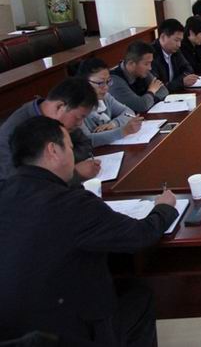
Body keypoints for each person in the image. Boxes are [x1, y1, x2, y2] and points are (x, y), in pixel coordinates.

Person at [0, 115, 178, 345]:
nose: (73, 156)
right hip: (62, 333)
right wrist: (164, 208)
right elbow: (139, 236)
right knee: (139, 298)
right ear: (53, 150)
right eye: (70, 148)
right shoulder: (70, 203)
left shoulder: (6, 191)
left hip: (10, 332)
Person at [0, 78, 99, 182]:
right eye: (78, 117)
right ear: (60, 107)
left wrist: (65, 160)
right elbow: (17, 184)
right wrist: (73, 173)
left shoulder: (64, 124)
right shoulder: (10, 134)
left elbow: (85, 144)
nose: (80, 123)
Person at [76, 58, 143, 147]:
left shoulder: (106, 97)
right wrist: (123, 131)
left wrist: (114, 124)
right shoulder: (76, 107)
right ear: (84, 82)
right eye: (100, 83)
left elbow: (128, 112)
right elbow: (87, 140)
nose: (106, 87)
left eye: (108, 81)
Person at [109, 41, 169, 113]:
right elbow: (141, 105)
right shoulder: (115, 81)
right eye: (146, 64)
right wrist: (151, 92)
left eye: (150, 63)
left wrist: (148, 99)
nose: (150, 68)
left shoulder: (142, 72)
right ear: (131, 63)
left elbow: (164, 91)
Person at [150, 18, 199, 92]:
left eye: (180, 41)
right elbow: (158, 88)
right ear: (163, 37)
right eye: (176, 40)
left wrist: (179, 82)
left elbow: (188, 68)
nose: (179, 45)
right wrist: (181, 82)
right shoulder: (151, 55)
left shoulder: (175, 50)